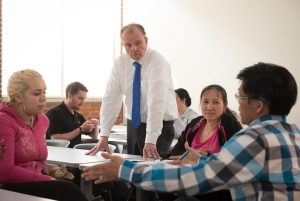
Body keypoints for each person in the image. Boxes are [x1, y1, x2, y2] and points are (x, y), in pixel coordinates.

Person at [82, 62, 300, 200]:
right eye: (206, 101)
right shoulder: (294, 134)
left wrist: (126, 170)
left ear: (258, 105)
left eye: (240, 97)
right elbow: (223, 167)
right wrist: (197, 161)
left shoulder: (254, 139)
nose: (239, 104)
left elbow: (199, 178)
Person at [87, 23, 178, 160]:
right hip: (134, 125)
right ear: (123, 45)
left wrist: (151, 139)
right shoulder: (120, 64)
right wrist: (104, 135)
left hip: (160, 126)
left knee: (152, 173)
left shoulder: (157, 62)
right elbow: (110, 100)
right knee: (132, 171)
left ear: (146, 40)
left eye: (138, 43)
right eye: (128, 45)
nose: (134, 49)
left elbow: (156, 102)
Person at [0, 69, 88, 201]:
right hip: (8, 185)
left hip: (35, 182)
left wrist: (48, 168)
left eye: (44, 92)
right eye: (36, 93)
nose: (43, 98)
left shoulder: (42, 121)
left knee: (72, 185)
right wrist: (46, 179)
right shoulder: (4, 121)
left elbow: (36, 161)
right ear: (18, 97)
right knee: (68, 190)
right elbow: (4, 172)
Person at [171, 85, 242, 157]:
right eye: (206, 101)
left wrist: (207, 157)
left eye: (216, 102)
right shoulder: (194, 124)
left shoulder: (231, 125)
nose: (209, 107)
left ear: (225, 105)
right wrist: (187, 156)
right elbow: (176, 151)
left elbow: (239, 157)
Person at [46, 81, 99, 148]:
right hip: (59, 155)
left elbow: (94, 136)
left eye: (84, 99)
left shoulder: (78, 116)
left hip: (75, 154)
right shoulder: (54, 113)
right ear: (70, 96)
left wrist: (96, 125)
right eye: (80, 98)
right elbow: (55, 139)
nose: (83, 102)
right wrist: (80, 129)